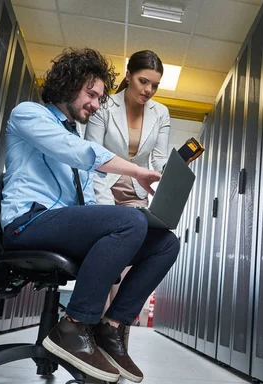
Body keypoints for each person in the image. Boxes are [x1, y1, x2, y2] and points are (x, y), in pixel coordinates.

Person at [0, 48, 179, 384]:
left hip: (60, 227)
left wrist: (118, 243)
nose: (97, 104)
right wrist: (136, 173)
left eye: (100, 97)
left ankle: (110, 329)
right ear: (69, 86)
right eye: (91, 94)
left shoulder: (72, 133)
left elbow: (84, 203)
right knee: (130, 220)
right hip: (27, 223)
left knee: (165, 243)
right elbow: (81, 154)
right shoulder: (29, 115)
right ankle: (74, 325)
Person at [85, 50, 170, 342]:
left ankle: (116, 337)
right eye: (143, 81)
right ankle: (90, 334)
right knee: (107, 262)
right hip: (102, 186)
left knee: (129, 266)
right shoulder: (105, 106)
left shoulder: (161, 113)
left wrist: (175, 167)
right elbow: (92, 155)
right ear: (129, 75)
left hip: (136, 191)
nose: (148, 90)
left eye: (154, 85)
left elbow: (158, 161)